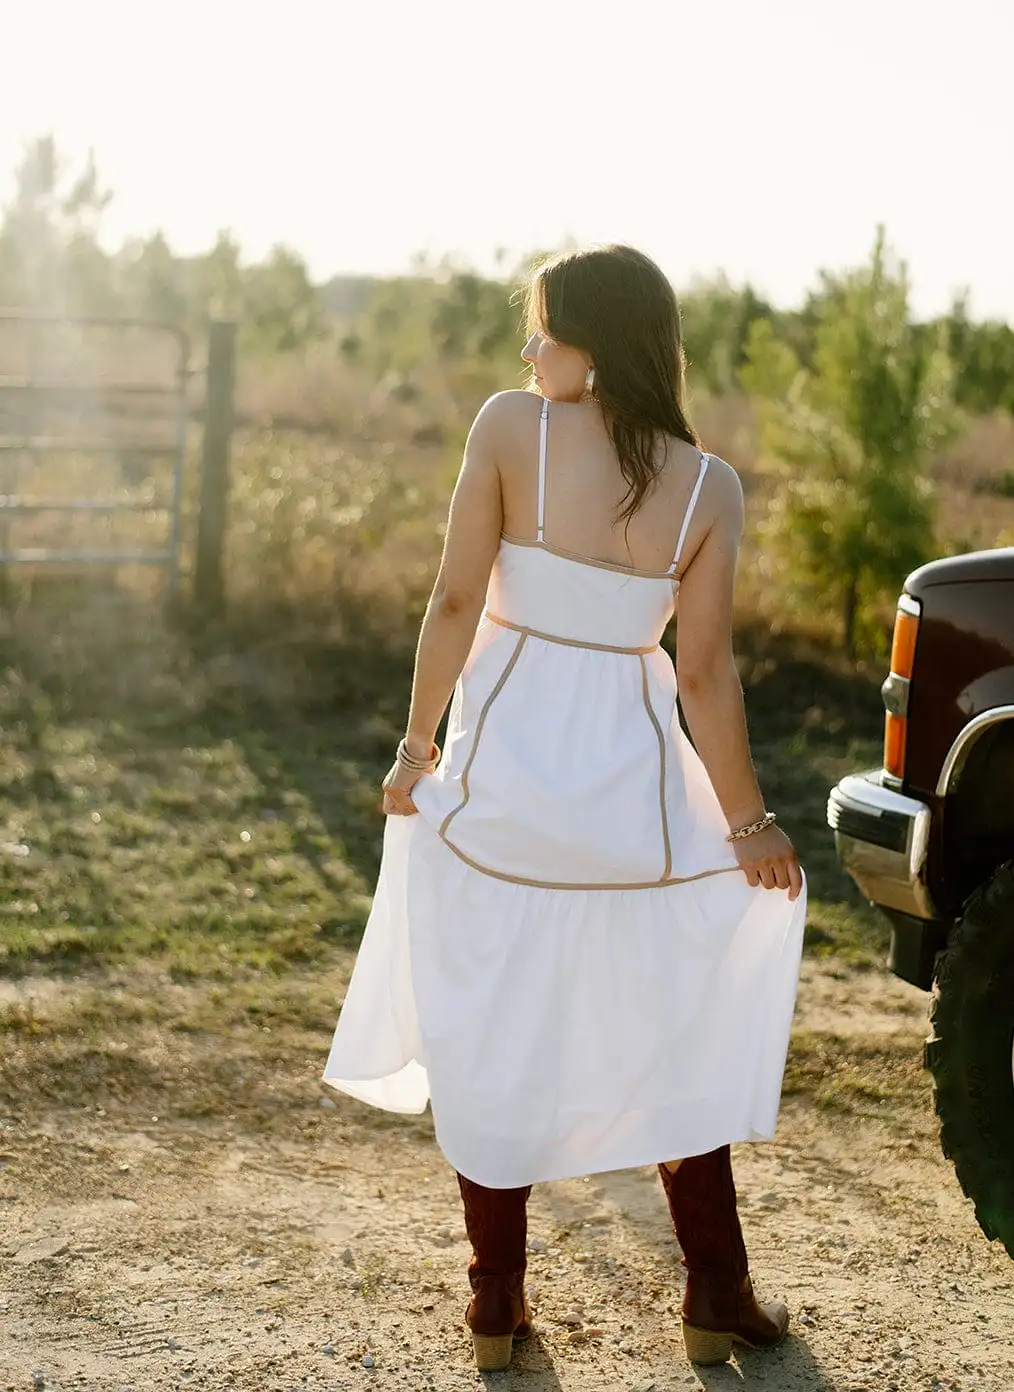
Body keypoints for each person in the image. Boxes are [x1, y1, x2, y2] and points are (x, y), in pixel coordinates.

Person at [323, 243, 807, 1373]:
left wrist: (415, 746)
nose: (529, 350)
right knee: (675, 1014)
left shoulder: (508, 426)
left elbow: (452, 597)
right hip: (629, 809)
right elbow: (703, 676)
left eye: (545, 330)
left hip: (498, 793)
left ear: (599, 342)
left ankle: (494, 1307)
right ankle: (716, 1292)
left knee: (491, 1027)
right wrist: (748, 826)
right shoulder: (707, 484)